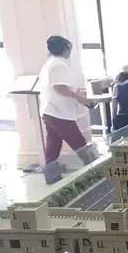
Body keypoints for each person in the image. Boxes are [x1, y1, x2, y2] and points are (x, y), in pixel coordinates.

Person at [37, 35, 94, 184]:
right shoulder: (59, 65)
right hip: (59, 112)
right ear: (65, 49)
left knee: (53, 144)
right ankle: (95, 170)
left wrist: (77, 95)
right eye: (69, 48)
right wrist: (81, 98)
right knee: (79, 142)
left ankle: (51, 175)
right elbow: (60, 87)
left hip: (50, 110)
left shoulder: (49, 63)